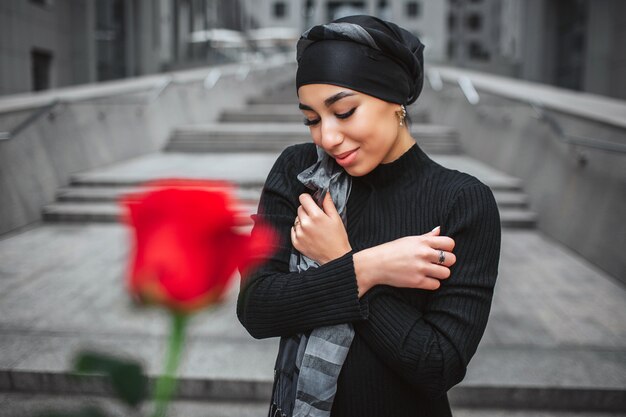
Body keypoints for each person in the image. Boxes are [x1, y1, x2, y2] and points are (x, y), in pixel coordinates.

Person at [237, 15, 501, 417]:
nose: (326, 137)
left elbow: (438, 365)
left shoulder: (461, 201)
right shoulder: (300, 174)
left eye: (343, 112)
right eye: (311, 118)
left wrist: (339, 260)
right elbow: (257, 307)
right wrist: (365, 268)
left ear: (396, 101)